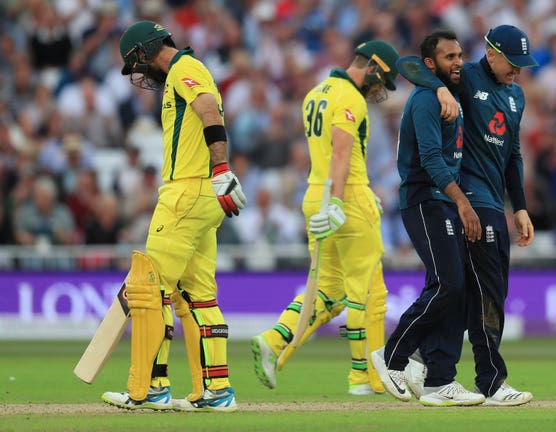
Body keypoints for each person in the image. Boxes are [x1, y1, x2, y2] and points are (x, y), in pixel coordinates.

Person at [101, 20, 246, 412]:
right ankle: (216, 392)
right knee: (199, 297)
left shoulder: (185, 69)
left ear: (146, 51)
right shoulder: (188, 71)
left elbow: (209, 110)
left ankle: (149, 387)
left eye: (135, 62)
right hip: (203, 198)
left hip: (186, 192)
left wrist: (221, 169)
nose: (138, 72)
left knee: (150, 288)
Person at [250, 40, 399, 396]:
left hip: (314, 195)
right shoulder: (351, 98)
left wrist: (328, 201)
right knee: (369, 291)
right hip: (345, 195)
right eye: (382, 80)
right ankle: (367, 377)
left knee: (328, 289)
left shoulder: (316, 93)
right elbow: (341, 153)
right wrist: (338, 202)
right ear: (374, 66)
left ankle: (273, 340)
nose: (380, 90)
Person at [404, 24, 537, 406]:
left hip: (496, 203)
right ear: (491, 53)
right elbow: (409, 64)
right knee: (485, 294)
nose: (517, 71)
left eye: (521, 65)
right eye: (512, 63)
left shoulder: (516, 96)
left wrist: (522, 207)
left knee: (486, 293)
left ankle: (425, 356)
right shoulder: (466, 76)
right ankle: (491, 381)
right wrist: (440, 86)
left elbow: (512, 156)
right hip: (471, 202)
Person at [370, 30, 484, 407]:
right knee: (448, 285)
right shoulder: (424, 99)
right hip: (425, 198)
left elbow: (414, 66)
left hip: (443, 201)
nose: (458, 62)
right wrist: (463, 204)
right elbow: (433, 160)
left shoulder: (447, 87)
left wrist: (440, 85)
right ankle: (393, 357)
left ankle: (439, 380)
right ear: (432, 64)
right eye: (448, 56)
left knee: (458, 287)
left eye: (459, 55)